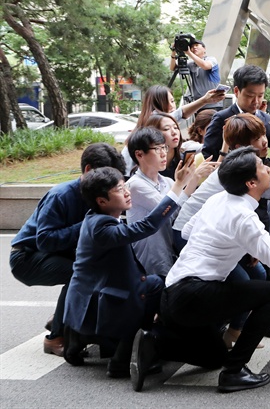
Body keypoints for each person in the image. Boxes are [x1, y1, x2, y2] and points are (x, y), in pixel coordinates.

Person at [161, 146, 270, 392]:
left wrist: (234, 245)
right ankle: (234, 372)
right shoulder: (244, 216)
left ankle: (153, 344)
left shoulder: (218, 199)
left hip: (171, 292)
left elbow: (187, 231)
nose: (268, 166)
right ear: (251, 182)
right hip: (193, 296)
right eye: (262, 166)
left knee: (215, 358)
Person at [172, 113, 270, 344]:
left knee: (259, 274)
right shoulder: (234, 181)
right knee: (245, 284)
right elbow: (196, 230)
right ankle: (231, 336)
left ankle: (236, 330)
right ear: (241, 148)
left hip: (206, 234)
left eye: (264, 134)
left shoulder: (241, 173)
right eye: (257, 139)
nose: (265, 142)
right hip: (191, 232)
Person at [63, 161, 194, 377]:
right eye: (119, 189)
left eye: (125, 185)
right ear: (102, 200)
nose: (127, 192)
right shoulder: (102, 227)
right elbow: (148, 225)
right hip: (102, 297)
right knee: (150, 288)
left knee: (152, 282)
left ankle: (79, 340)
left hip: (89, 294)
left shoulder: (95, 218)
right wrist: (178, 185)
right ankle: (121, 360)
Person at [9, 143, 125, 357]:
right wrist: (87, 225)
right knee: (79, 272)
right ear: (88, 171)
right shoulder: (60, 195)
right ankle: (55, 338)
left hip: (57, 253)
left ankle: (67, 320)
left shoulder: (98, 195)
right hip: (27, 257)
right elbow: (44, 240)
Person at [126, 127, 217, 278]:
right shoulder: (135, 185)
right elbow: (167, 211)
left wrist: (189, 180)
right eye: (157, 149)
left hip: (171, 251)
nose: (163, 153)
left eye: (164, 147)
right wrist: (185, 182)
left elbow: (180, 212)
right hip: (153, 258)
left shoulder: (167, 182)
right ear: (139, 154)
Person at [122, 85, 224, 175]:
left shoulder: (177, 159)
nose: (172, 106)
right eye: (166, 102)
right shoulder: (147, 131)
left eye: (172, 101)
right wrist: (204, 100)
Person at [202, 65, 270, 161]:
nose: (256, 101)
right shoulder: (221, 119)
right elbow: (209, 155)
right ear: (236, 91)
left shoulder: (268, 120)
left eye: (260, 95)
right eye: (250, 95)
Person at [169, 36, 223, 110]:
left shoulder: (211, 59)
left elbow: (205, 66)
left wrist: (189, 53)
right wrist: (173, 52)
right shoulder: (191, 64)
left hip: (214, 104)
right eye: (192, 47)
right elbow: (172, 68)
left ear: (204, 49)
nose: (194, 47)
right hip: (199, 104)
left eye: (197, 45)